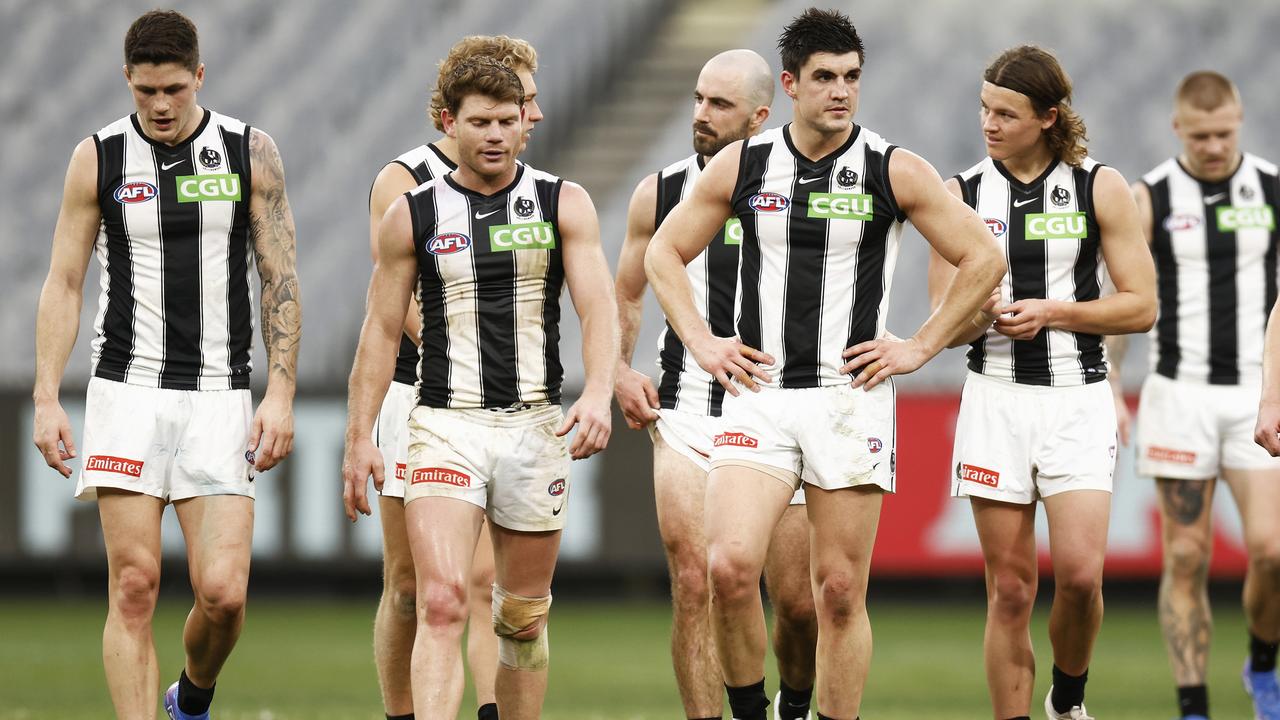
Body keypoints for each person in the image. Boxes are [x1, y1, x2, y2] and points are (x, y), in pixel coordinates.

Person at [645, 9, 1005, 720]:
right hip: (760, 395)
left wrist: (920, 345)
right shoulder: (745, 163)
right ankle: (753, 711)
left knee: (836, 592)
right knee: (727, 568)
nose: (841, 91)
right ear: (790, 84)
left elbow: (983, 257)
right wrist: (702, 342)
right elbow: (663, 252)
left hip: (849, 399)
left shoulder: (891, 167)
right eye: (825, 78)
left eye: (851, 78)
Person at [31, 10, 300, 720]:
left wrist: (281, 394)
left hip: (219, 396)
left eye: (174, 89)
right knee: (135, 585)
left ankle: (193, 698)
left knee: (224, 595)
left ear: (199, 77)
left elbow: (281, 279)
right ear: (127, 79)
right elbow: (63, 281)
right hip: (126, 392)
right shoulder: (99, 157)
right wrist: (46, 396)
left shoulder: (250, 152)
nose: (159, 105)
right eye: (145, 89)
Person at [342, 58, 617, 719]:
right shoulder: (412, 213)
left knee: (521, 619)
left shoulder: (563, 202)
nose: (495, 134)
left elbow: (599, 306)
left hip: (533, 428)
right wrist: (359, 437)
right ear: (449, 123)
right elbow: (380, 334)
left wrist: (599, 390)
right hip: (444, 424)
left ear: (524, 121)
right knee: (440, 601)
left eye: (507, 120)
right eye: (480, 122)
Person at [929, 46, 1155, 720]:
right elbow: (945, 323)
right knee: (1012, 590)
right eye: (984, 108)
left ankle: (1069, 698)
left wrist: (1054, 311)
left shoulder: (1098, 186)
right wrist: (980, 310)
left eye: (1006, 113)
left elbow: (1141, 305)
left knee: (1082, 579)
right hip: (994, 399)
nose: (989, 124)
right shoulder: (959, 194)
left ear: (1048, 117)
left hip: (1077, 400)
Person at [614, 49, 818, 720]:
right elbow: (628, 292)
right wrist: (618, 366)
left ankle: (793, 703)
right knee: (695, 579)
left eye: (720, 104)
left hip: (780, 409)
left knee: (797, 602)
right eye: (699, 98)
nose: (700, 114)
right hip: (687, 410)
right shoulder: (659, 192)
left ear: (761, 116)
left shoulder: (803, 186)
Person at [364, 34, 543, 720]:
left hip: (504, 405)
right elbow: (396, 303)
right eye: (521, 97)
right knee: (411, 585)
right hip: (421, 395)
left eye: (522, 103)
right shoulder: (403, 179)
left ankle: (491, 710)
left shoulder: (522, 182)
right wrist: (467, 358)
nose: (531, 114)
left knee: (483, 584)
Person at [1108, 71, 1280, 720]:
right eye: (1201, 135)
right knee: (1186, 554)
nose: (1213, 146)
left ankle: (1262, 663)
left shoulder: (1269, 188)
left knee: (1271, 550)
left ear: (1240, 121)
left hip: (1255, 395)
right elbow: (1124, 298)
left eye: (1225, 133)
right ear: (1179, 129)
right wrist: (1111, 387)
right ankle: (1192, 705)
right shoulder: (1148, 197)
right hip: (1178, 393)